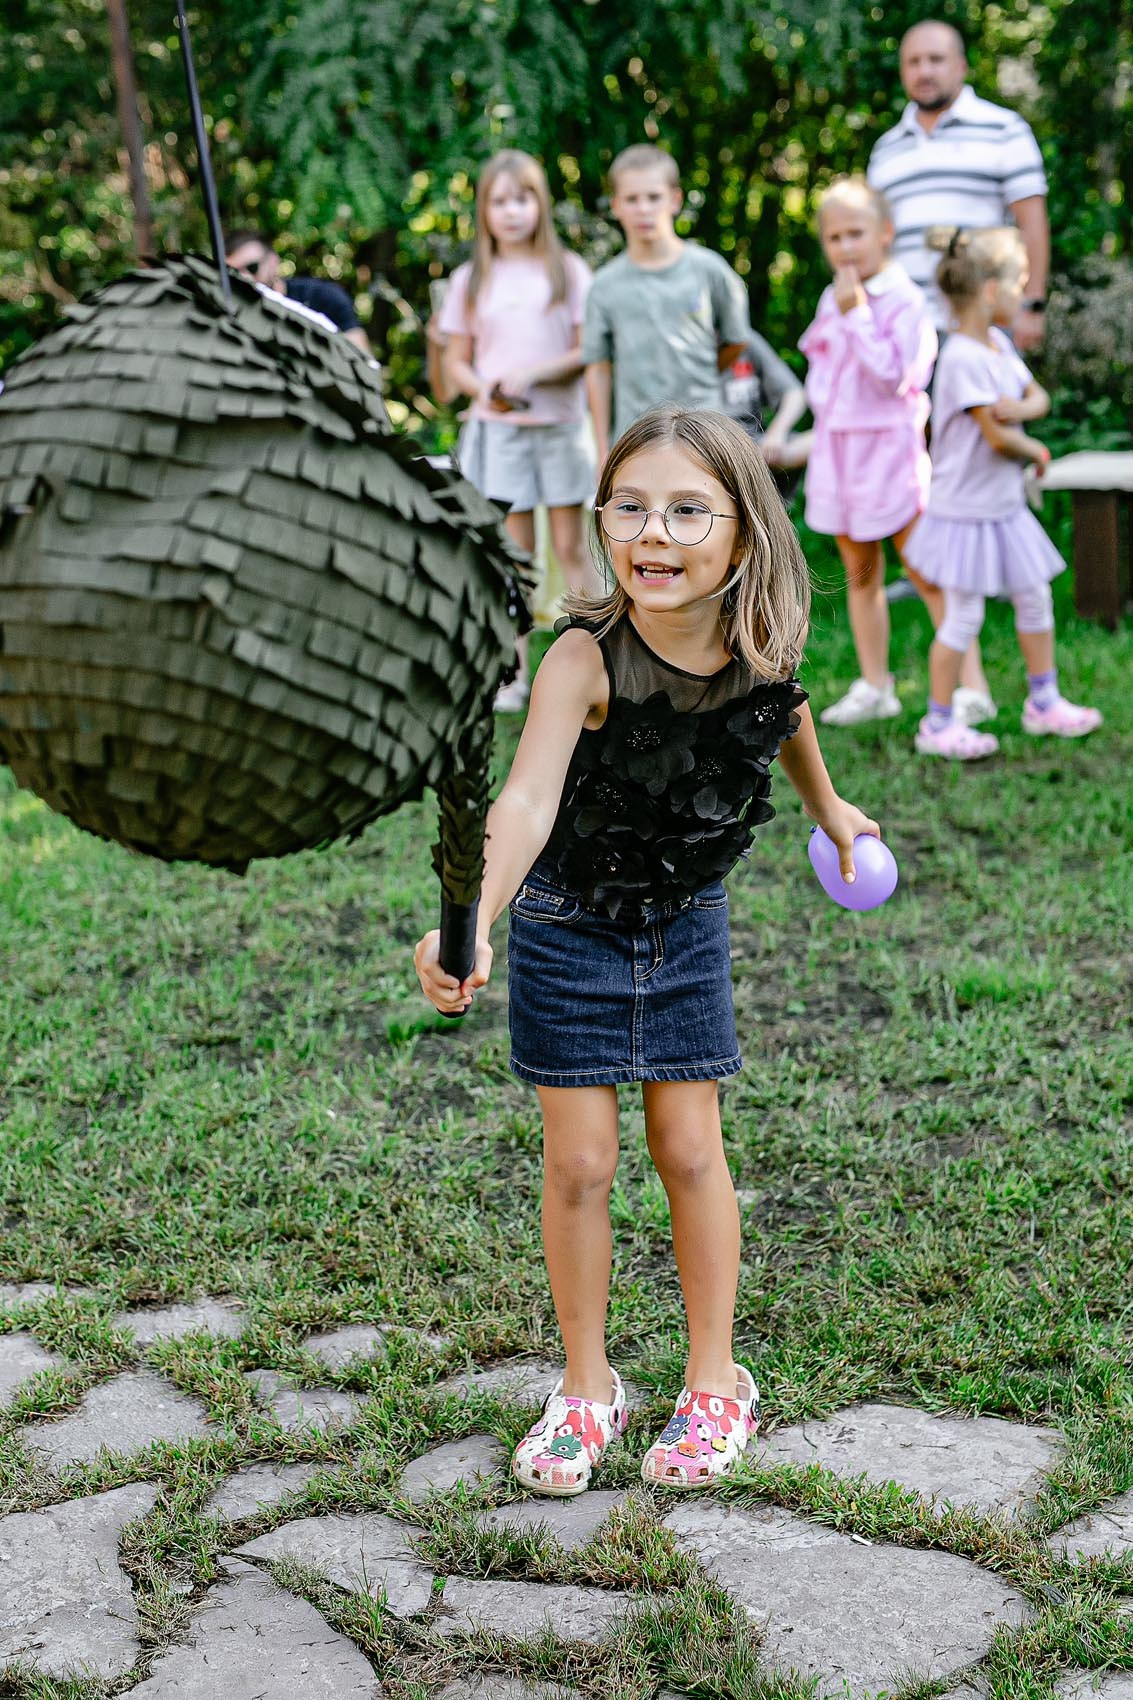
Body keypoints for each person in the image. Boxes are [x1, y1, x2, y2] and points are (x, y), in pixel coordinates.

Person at [414, 405, 880, 1495]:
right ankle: (587, 1385)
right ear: (600, 521)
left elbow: (787, 717)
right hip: (565, 920)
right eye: (627, 507)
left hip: (685, 920)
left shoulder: (758, 651)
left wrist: (829, 810)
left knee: (688, 1148)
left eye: (684, 510)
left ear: (742, 532)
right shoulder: (582, 657)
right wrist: (471, 917)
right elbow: (524, 801)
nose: (652, 533)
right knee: (580, 1162)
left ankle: (717, 1378)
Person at [905, 228, 1102, 760]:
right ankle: (937, 723)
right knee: (963, 617)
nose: (1024, 295)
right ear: (991, 291)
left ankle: (1044, 702)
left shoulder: (1000, 345)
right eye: (1019, 284)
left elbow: (1037, 396)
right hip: (965, 512)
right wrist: (1034, 447)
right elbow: (995, 438)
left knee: (1035, 599)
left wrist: (1021, 408)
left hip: (1004, 508)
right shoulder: (963, 357)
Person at [800, 177, 991, 727]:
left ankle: (972, 686)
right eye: (834, 237)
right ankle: (876, 684)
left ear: (885, 233)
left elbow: (896, 377)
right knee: (861, 573)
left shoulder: (905, 301)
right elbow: (822, 367)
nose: (845, 248)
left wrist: (858, 314)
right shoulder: (832, 297)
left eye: (856, 234)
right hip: (840, 453)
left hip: (889, 453)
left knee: (927, 570)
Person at [439, 150, 596, 713]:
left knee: (572, 547)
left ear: (541, 204)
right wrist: (485, 389)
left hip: (560, 426)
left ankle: (595, 664)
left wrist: (534, 375)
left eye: (523, 199)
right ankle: (513, 675)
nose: (512, 212)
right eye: (500, 201)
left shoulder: (567, 270)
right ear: (483, 210)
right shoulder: (471, 279)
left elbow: (587, 349)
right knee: (515, 556)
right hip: (501, 433)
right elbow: (456, 361)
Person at [867, 21, 1049, 352]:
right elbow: (874, 240)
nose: (924, 71)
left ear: (961, 66)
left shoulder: (1005, 130)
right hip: (901, 334)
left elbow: (1033, 223)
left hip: (982, 328)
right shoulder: (885, 150)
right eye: (914, 62)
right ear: (903, 71)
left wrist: (1032, 305)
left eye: (936, 59)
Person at [582, 146, 749, 471]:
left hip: (705, 431)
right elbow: (598, 368)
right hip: (635, 435)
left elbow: (736, 340)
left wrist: (701, 374)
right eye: (632, 199)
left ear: (675, 200)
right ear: (615, 206)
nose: (643, 209)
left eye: (653, 197)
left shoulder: (709, 270)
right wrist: (602, 448)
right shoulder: (604, 285)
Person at [224, 231, 374, 356]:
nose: (245, 278)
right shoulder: (230, 309)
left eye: (252, 267)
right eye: (234, 273)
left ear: (273, 262)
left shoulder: (324, 296)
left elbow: (362, 359)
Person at [719, 331, 809, 498]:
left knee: (823, 440)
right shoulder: (679, 342)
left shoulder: (744, 339)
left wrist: (776, 433)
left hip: (758, 442)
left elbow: (794, 393)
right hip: (714, 444)